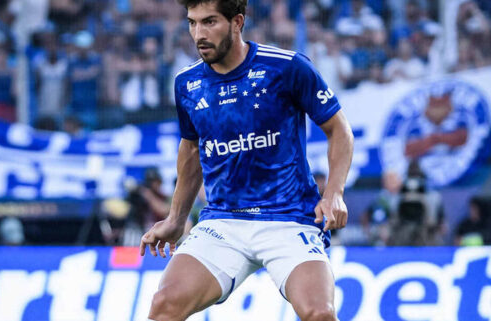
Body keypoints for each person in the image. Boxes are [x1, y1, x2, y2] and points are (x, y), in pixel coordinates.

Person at [139, 1, 354, 321]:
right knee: (164, 306)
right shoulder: (187, 83)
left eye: (210, 22)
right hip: (223, 221)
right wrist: (175, 218)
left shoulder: (287, 67)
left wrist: (333, 193)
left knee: (320, 313)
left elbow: (339, 130)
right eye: (192, 23)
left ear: (237, 22)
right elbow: (191, 151)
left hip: (288, 217)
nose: (199, 34)